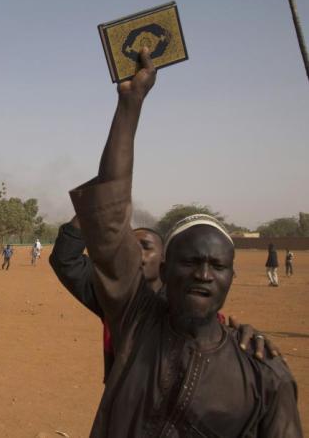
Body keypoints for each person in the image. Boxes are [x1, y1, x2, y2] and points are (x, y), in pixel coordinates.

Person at [69, 48, 301, 436]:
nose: (204, 274)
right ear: (163, 268)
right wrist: (130, 105)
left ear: (232, 276)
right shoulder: (136, 322)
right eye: (190, 262)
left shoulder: (264, 373)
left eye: (217, 266)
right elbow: (109, 220)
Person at [50, 216, 280, 382]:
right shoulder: (116, 303)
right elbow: (65, 260)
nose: (134, 253)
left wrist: (248, 340)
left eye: (145, 247)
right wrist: (92, 208)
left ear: (165, 261)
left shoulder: (197, 310)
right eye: (128, 247)